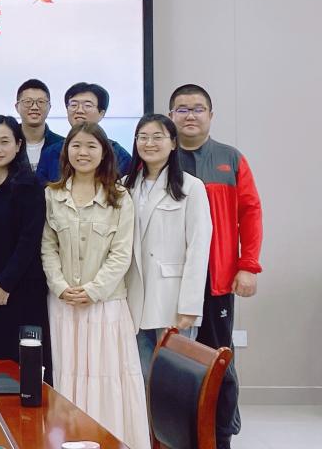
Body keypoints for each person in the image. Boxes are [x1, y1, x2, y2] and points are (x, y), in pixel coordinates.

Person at [41, 122, 149, 449]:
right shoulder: (52, 194)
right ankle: (70, 440)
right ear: (66, 152)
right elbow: (48, 247)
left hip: (105, 305)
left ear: (104, 153)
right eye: (76, 146)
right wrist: (60, 286)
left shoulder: (120, 198)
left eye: (91, 146)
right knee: (68, 376)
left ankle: (109, 441)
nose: (83, 152)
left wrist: (92, 291)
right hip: (63, 304)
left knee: (107, 379)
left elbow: (122, 253)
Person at [169, 84, 263, 449]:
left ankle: (220, 435)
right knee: (172, 362)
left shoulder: (230, 158)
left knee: (218, 359)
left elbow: (250, 213)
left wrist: (248, 265)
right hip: (170, 280)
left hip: (217, 280)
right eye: (182, 109)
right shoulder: (160, 156)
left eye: (197, 108)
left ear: (211, 115)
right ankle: (173, 433)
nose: (190, 115)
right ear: (171, 115)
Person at [122, 114, 212, 379]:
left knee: (176, 381)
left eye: (157, 137)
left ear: (173, 143)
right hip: (133, 300)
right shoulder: (124, 186)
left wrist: (190, 306)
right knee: (139, 379)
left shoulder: (191, 187)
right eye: (143, 137)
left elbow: (198, 249)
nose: (149, 143)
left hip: (172, 300)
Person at [0, 115, 50, 381]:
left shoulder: (30, 186)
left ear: (18, 145)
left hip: (20, 290)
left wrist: (5, 283)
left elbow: (29, 240)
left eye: (5, 142)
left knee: (22, 371)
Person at [36, 82, 132, 183]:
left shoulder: (119, 155)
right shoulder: (51, 153)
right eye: (74, 105)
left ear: (101, 113)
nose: (79, 110)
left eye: (87, 105)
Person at [14, 78, 64, 173]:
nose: (34, 107)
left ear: (49, 107)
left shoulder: (62, 145)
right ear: (17, 107)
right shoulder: (7, 143)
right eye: (28, 102)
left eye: (41, 102)